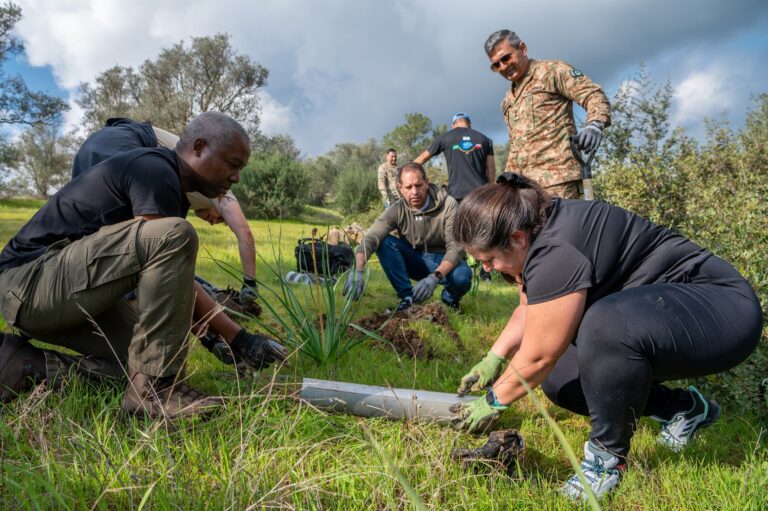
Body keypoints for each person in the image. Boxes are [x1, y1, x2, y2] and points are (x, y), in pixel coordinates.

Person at [450, 173, 762, 499]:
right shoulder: (536, 228)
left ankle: (606, 461)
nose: (486, 269)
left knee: (602, 325)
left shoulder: (554, 249)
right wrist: (494, 357)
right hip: (659, 313)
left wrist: (493, 400)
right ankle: (683, 408)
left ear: (516, 238)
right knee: (562, 377)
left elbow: (540, 354)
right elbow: (532, 308)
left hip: (722, 310)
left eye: (489, 259)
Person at [0, 112, 287, 419]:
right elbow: (169, 259)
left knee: (143, 360)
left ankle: (22, 365)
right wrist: (239, 337)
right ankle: (152, 393)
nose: (236, 178)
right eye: (233, 164)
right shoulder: (155, 169)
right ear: (199, 147)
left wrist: (214, 335)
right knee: (174, 235)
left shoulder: (171, 189)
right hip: (27, 284)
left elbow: (167, 282)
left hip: (57, 291)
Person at [72, 118, 259, 302]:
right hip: (123, 144)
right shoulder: (221, 191)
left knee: (99, 238)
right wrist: (250, 283)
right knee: (152, 251)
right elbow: (245, 233)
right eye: (218, 219)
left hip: (93, 146)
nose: (212, 221)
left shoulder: (195, 183)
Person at [484, 30, 611, 198]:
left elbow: (593, 94)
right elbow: (516, 144)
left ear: (523, 48)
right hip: (525, 189)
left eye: (506, 58)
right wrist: (508, 182)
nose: (503, 67)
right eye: (496, 65)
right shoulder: (508, 100)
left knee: (565, 225)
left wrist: (595, 124)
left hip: (559, 181)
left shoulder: (552, 72)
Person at [344, 162, 472, 312]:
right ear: (400, 188)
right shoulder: (397, 209)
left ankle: (449, 301)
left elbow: (456, 248)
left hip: (444, 261)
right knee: (384, 241)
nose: (414, 192)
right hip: (416, 259)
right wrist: (357, 271)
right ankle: (407, 298)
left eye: (418, 185)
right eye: (408, 187)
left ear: (426, 183)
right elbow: (371, 238)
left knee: (462, 277)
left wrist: (435, 276)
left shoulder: (449, 205)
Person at [414, 112, 495, 203]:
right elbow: (491, 172)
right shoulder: (485, 139)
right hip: (481, 195)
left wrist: (405, 172)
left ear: (453, 125)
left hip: (456, 195)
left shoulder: (445, 137)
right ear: (470, 124)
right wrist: (490, 193)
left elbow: (423, 158)